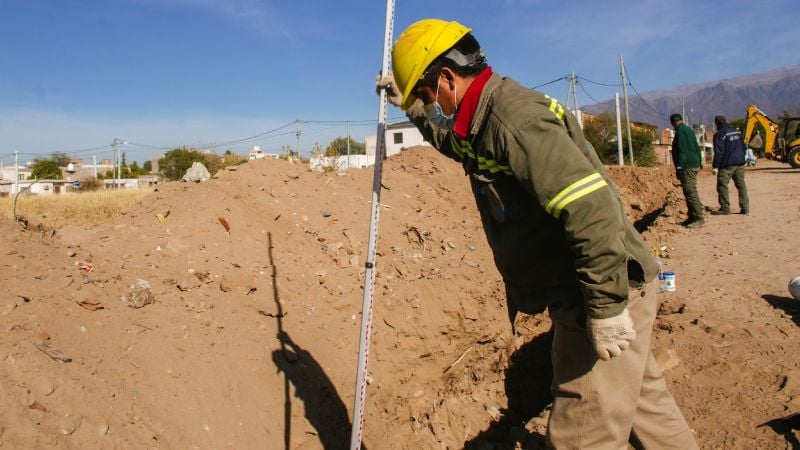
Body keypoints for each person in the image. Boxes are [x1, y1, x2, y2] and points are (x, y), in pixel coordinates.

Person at [377, 19, 697, 449]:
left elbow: (592, 209)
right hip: (589, 289)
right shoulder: (483, 117)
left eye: (427, 93)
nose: (430, 103)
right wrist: (414, 110)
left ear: (448, 77)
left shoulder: (512, 119)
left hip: (598, 292)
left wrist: (604, 308)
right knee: (647, 409)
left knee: (580, 435)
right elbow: (455, 144)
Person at [670, 113, 705, 228]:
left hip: (687, 166)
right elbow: (696, 147)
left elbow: (682, 150)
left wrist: (679, 167)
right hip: (694, 164)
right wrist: (700, 162)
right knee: (688, 191)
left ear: (673, 123)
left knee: (690, 192)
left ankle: (698, 218)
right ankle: (692, 216)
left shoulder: (680, 132)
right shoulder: (689, 130)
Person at [711, 115, 749, 215]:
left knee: (722, 185)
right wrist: (742, 157)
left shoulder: (720, 134)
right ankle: (745, 208)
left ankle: (725, 208)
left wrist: (716, 166)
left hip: (727, 164)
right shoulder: (737, 132)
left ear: (717, 123)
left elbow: (719, 152)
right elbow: (744, 147)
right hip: (740, 163)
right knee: (741, 185)